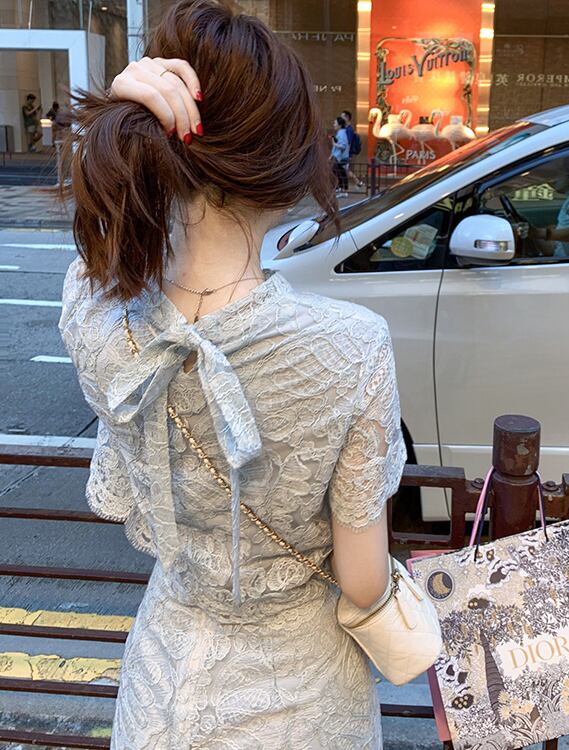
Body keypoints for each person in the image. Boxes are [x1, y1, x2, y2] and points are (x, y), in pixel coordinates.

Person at [54, 1, 408, 747]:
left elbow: (97, 250)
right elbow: (364, 582)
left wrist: (118, 108)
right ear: (287, 164)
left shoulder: (96, 311)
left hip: (160, 691)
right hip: (304, 703)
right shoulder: (351, 347)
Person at [340, 109, 364, 190]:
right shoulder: (347, 128)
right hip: (346, 153)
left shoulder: (349, 129)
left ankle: (344, 187)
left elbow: (348, 143)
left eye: (342, 117)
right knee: (344, 169)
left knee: (343, 169)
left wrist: (345, 153)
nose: (341, 118)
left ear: (347, 118)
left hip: (347, 153)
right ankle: (358, 182)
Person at [331, 114, 350, 194]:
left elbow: (343, 146)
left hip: (341, 158)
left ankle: (343, 189)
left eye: (335, 123)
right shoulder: (340, 133)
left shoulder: (342, 133)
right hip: (340, 157)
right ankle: (341, 188)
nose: (334, 125)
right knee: (339, 172)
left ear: (339, 125)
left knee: (340, 173)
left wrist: (334, 144)